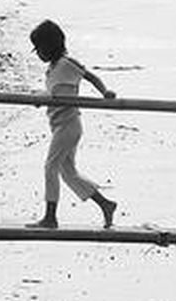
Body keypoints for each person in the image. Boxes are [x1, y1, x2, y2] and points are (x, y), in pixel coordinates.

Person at [28, 19, 118, 229]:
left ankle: (50, 217)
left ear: (51, 45)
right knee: (68, 173)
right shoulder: (52, 69)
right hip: (59, 126)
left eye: (40, 48)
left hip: (69, 126)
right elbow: (56, 94)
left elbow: (90, 76)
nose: (38, 54)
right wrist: (40, 99)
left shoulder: (67, 63)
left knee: (50, 167)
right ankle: (105, 204)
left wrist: (105, 92)